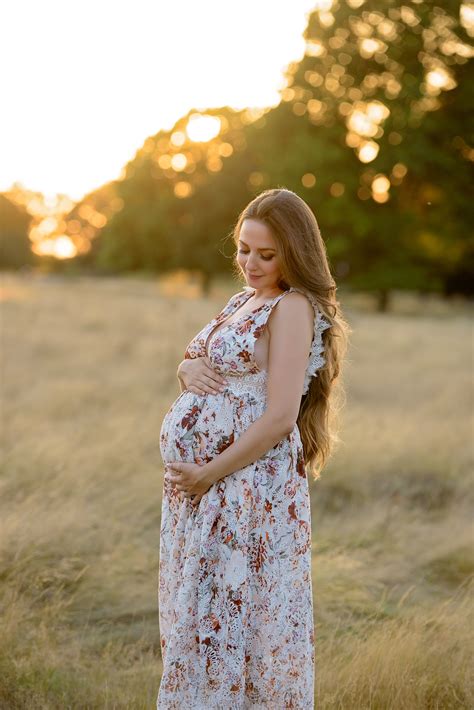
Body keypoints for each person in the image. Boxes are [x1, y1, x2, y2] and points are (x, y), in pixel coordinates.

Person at [157, 187, 350, 708]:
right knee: (199, 615)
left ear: (295, 252)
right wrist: (185, 368)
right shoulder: (243, 300)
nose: (250, 263)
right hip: (202, 495)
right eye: (244, 249)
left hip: (244, 491)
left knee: (236, 618)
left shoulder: (291, 307)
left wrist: (207, 473)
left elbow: (280, 416)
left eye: (267, 254)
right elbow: (199, 361)